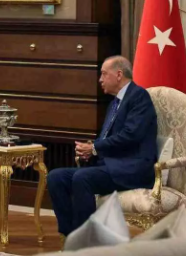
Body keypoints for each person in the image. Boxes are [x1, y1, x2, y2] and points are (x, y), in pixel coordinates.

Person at [47, 56, 158, 236]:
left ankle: (87, 240)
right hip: (110, 166)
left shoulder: (139, 96)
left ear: (119, 75)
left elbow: (130, 135)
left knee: (82, 178)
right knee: (56, 177)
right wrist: (91, 152)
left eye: (104, 74)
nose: (100, 79)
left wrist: (94, 148)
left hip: (131, 168)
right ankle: (71, 236)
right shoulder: (114, 103)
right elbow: (109, 139)